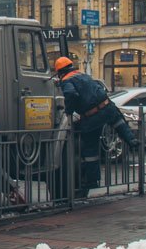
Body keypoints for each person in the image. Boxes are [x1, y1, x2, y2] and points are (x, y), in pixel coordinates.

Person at [55, 56, 138, 186]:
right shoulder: (83, 75)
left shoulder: (66, 81)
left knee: (90, 149)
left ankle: (93, 180)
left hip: (92, 116)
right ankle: (132, 141)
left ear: (60, 72)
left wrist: (69, 111)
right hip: (108, 106)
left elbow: (71, 94)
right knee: (118, 123)